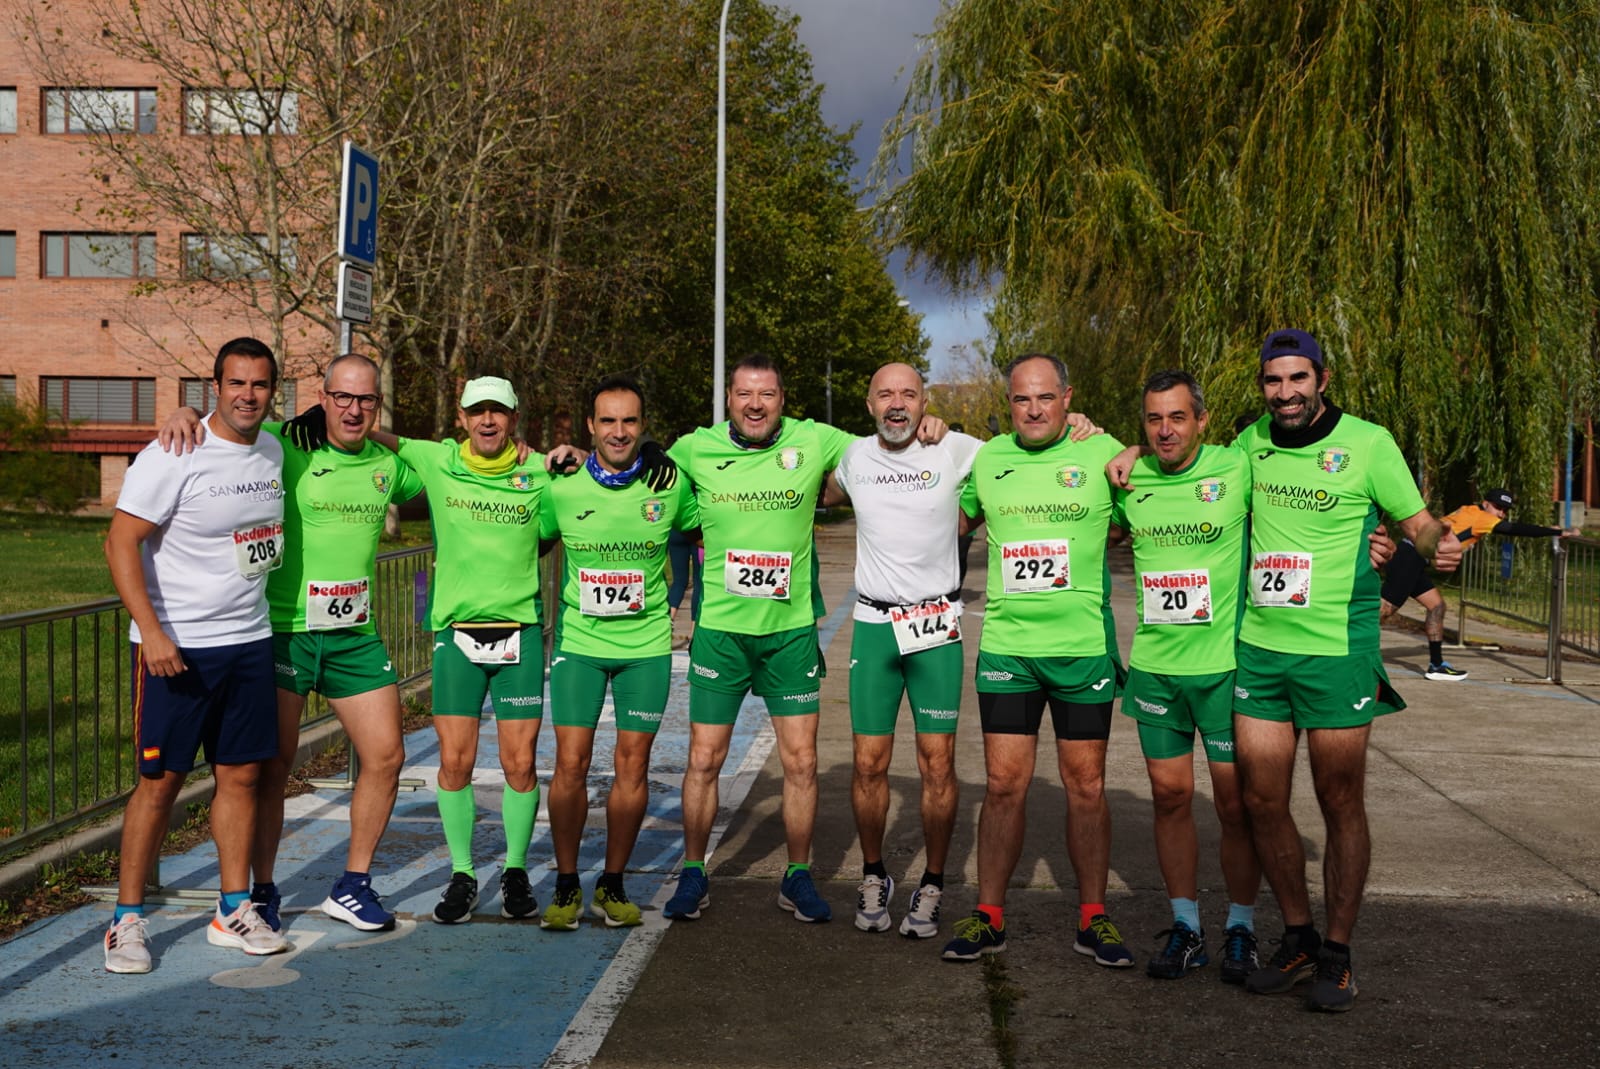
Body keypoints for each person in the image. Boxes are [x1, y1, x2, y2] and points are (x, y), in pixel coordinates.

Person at [661, 353, 942, 924]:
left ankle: (797, 875)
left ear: (782, 400)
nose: (756, 404)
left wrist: (928, 427)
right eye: (744, 394)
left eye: (767, 395)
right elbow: (631, 472)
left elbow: (887, 441)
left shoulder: (815, 440)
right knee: (704, 760)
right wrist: (564, 459)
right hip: (721, 633)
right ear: (729, 399)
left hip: (790, 634)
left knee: (802, 763)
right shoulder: (695, 446)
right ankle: (694, 873)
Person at [1231, 328, 1460, 1012]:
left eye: (1298, 379)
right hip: (1261, 648)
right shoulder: (1251, 443)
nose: (1286, 392)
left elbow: (1415, 521)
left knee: (1338, 798)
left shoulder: (1367, 441)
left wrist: (1434, 542)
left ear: (1321, 380)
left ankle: (1337, 950)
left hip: (1338, 649)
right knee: (1262, 799)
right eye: (1274, 381)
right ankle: (1297, 935)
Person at [158, 354, 426, 934]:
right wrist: (182, 412)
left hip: (354, 634)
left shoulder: (388, 464)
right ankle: (261, 890)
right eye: (343, 398)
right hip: (283, 633)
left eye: (367, 400)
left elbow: (453, 476)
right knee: (271, 769)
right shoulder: (285, 444)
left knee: (386, 756)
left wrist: (531, 459)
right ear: (322, 399)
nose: (354, 410)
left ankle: (353, 886)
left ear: (378, 407)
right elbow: (230, 423)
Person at [101, 337, 288, 972]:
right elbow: (120, 544)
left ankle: (233, 907)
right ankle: (126, 920)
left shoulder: (273, 447)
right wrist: (151, 631)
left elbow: (356, 426)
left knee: (241, 777)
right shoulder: (173, 451)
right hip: (177, 652)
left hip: (249, 642)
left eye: (260, 385)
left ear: (273, 392)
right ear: (215, 387)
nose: (248, 395)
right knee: (160, 784)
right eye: (237, 383)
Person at [942, 353, 1133, 967]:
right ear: (1009, 403)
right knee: (1003, 786)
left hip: (1081, 652)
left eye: (1046, 398)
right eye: (1022, 400)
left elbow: (1149, 518)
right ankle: (989, 916)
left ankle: (1093, 918)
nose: (1033, 410)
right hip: (1008, 651)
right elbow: (945, 518)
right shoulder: (989, 458)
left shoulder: (1102, 454)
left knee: (1086, 787)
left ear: (1067, 396)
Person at [1110, 370, 1262, 982]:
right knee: (1170, 798)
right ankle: (1187, 926)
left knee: (1234, 805)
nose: (1165, 430)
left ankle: (1243, 928)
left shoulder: (1238, 464)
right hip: (1155, 671)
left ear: (1203, 419)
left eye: (1177, 417)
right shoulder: (1129, 476)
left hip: (1222, 670)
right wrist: (1121, 450)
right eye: (1153, 419)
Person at [387, 376, 557, 924]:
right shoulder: (437, 461)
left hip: (519, 633)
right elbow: (374, 434)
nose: (488, 421)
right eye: (477, 411)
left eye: (498, 412)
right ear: (460, 417)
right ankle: (462, 873)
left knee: (520, 762)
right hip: (457, 637)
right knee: (455, 762)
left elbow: (552, 529)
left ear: (513, 418)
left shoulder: (538, 473)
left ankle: (513, 870)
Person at [822, 363, 982, 939]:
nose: (897, 403)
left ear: (924, 402)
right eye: (885, 393)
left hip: (935, 625)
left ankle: (934, 883)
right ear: (868, 404)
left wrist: (1090, 429)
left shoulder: (959, 449)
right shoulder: (850, 457)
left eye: (908, 394)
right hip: (874, 624)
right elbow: (790, 476)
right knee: (869, 763)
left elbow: (1023, 461)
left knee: (936, 763)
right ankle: (874, 874)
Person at [536, 376, 697, 929]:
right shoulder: (560, 485)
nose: (619, 431)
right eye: (608, 420)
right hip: (580, 645)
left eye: (630, 421)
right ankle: (564, 885)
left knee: (633, 764)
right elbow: (521, 535)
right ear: (590, 426)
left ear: (643, 426)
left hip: (646, 647)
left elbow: (709, 531)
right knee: (570, 764)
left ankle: (613, 882)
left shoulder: (668, 484)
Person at [1380, 488, 1580, 680]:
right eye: (1497, 507)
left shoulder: (1469, 510)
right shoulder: (1482, 518)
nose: (1501, 514)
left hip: (1413, 556)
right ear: (1485, 504)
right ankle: (1352, 645)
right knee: (1385, 609)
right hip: (1411, 557)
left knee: (1437, 606)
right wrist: (1555, 531)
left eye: (1505, 510)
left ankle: (1436, 665)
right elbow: (1514, 529)